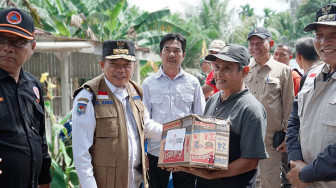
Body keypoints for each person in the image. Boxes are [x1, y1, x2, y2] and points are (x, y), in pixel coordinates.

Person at [72, 40, 162, 188]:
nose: (121, 70)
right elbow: (81, 154)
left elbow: (146, 125)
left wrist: (173, 133)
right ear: (102, 65)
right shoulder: (88, 96)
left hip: (137, 182)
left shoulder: (135, 91)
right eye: (114, 64)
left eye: (127, 65)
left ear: (134, 66)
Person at [176, 44, 268, 187]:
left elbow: (250, 161)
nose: (219, 73)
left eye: (226, 68)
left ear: (245, 71)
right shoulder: (213, 99)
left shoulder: (251, 109)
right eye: (217, 67)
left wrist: (211, 175)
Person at [142, 33, 205, 188]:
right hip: (156, 153)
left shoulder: (193, 83)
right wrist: (143, 153)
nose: (171, 54)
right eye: (167, 49)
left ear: (183, 55)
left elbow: (201, 117)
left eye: (176, 51)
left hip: (186, 153)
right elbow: (143, 120)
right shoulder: (148, 84)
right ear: (160, 53)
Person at [0, 7, 52, 188]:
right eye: (2, 39)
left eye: (17, 42)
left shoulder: (33, 86)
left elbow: (40, 139)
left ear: (32, 48)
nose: (7, 47)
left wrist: (45, 182)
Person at [286, 3, 336, 188]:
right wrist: (295, 160)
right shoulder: (311, 76)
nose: (324, 42)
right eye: (319, 36)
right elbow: (294, 122)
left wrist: (305, 173)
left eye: (333, 35)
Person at [245, 27, 294, 188]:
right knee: (246, 180)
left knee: (270, 181)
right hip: (245, 136)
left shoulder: (283, 70)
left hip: (271, 139)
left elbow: (288, 103)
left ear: (270, 44)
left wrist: (287, 133)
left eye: (260, 43)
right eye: (252, 44)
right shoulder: (244, 69)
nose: (255, 47)